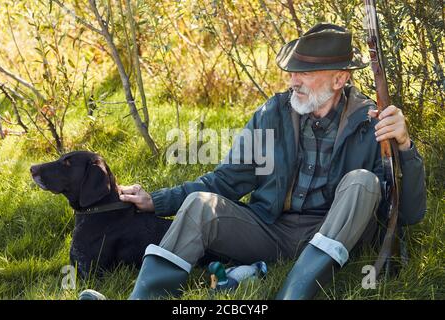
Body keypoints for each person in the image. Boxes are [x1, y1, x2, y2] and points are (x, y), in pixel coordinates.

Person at [92, 23, 427, 300]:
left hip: (332, 235)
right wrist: (157, 200)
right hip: (271, 229)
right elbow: (226, 181)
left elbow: (408, 214)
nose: (293, 80)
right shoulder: (273, 113)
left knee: (362, 180)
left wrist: (405, 145)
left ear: (339, 79)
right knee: (200, 204)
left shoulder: (373, 124)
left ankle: (293, 295)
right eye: (293, 71)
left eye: (305, 73)